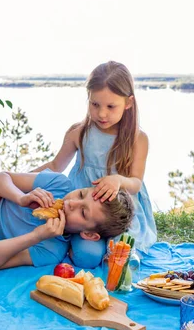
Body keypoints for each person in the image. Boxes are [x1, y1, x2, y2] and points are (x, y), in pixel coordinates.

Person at [33, 61, 157, 267]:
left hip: (118, 213)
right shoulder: (79, 132)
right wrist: (18, 177)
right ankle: (74, 240)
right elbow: (55, 166)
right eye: (95, 104)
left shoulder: (138, 139)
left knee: (121, 254)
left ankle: (76, 242)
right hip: (82, 211)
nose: (101, 114)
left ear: (128, 103)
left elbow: (135, 182)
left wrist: (118, 180)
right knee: (87, 256)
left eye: (111, 106)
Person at [0, 167, 134, 269]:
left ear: (89, 234)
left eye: (83, 212)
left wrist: (35, 236)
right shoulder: (59, 185)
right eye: (81, 194)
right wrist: (20, 198)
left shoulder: (52, 250)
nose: (71, 203)